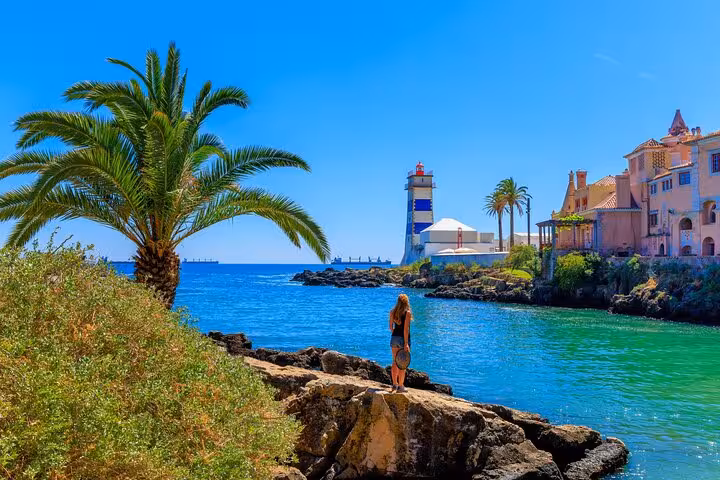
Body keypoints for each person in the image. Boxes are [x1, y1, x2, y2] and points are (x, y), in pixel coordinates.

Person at [388, 293, 411, 393]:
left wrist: (395, 334)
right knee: (402, 363)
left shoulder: (392, 312)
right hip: (403, 339)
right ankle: (401, 386)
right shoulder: (407, 313)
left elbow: (390, 328)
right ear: (406, 302)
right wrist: (406, 343)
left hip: (394, 339)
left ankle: (394, 384)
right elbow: (406, 330)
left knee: (394, 361)